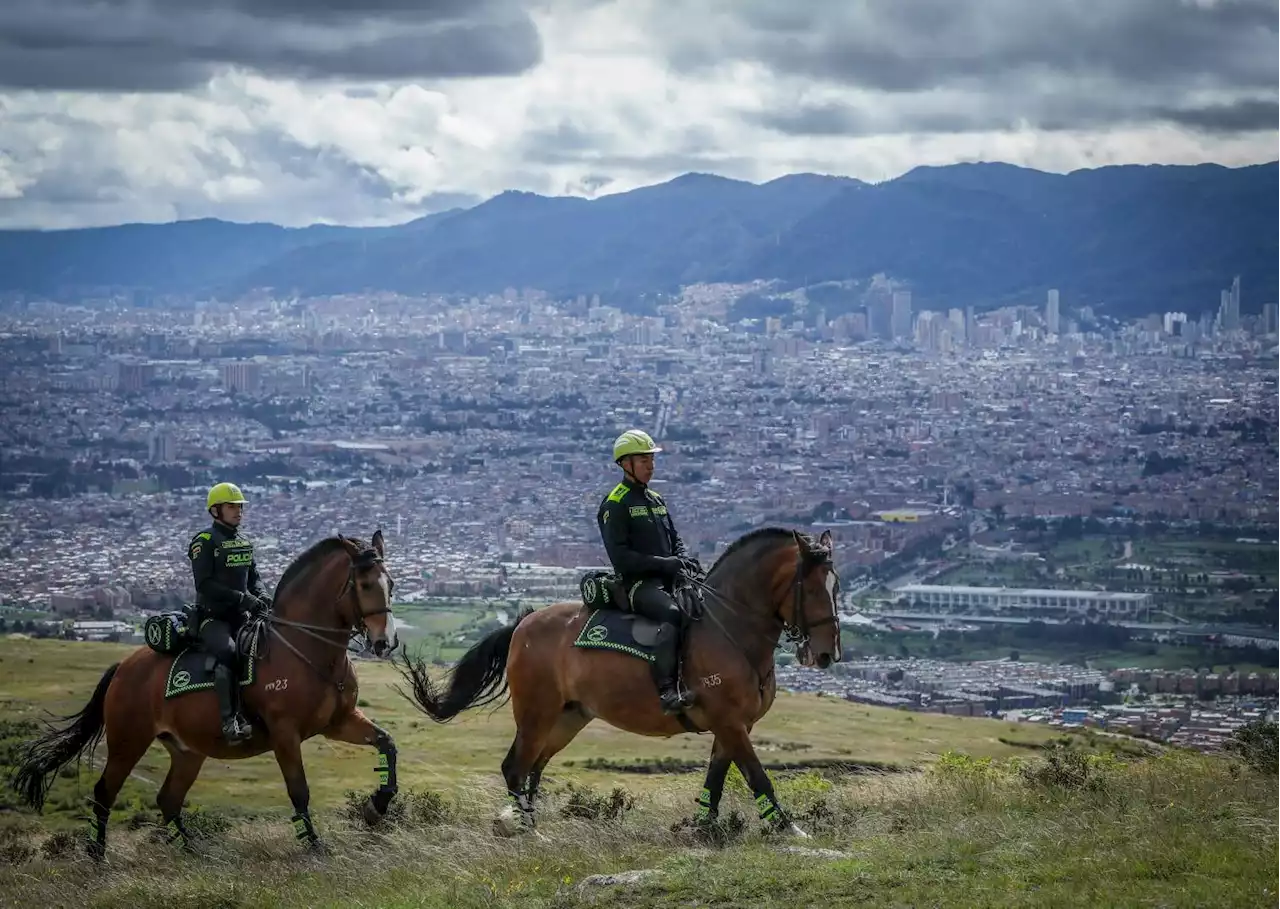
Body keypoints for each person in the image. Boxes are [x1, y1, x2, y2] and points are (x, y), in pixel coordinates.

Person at [596, 429, 703, 715]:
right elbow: (621, 558)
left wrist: (682, 561)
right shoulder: (615, 504)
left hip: (671, 579)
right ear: (625, 463)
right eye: (643, 460)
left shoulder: (656, 500)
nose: (650, 466)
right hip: (638, 585)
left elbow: (674, 538)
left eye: (651, 460)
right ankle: (667, 689)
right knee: (673, 614)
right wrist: (666, 564)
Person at [188, 482, 271, 744]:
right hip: (213, 619)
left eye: (239, 507)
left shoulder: (243, 542)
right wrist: (242, 598)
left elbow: (253, 578)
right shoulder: (204, 542)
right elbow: (205, 584)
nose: (238, 511)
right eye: (231, 507)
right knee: (229, 652)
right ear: (215, 511)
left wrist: (263, 595)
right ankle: (229, 721)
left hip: (243, 617)